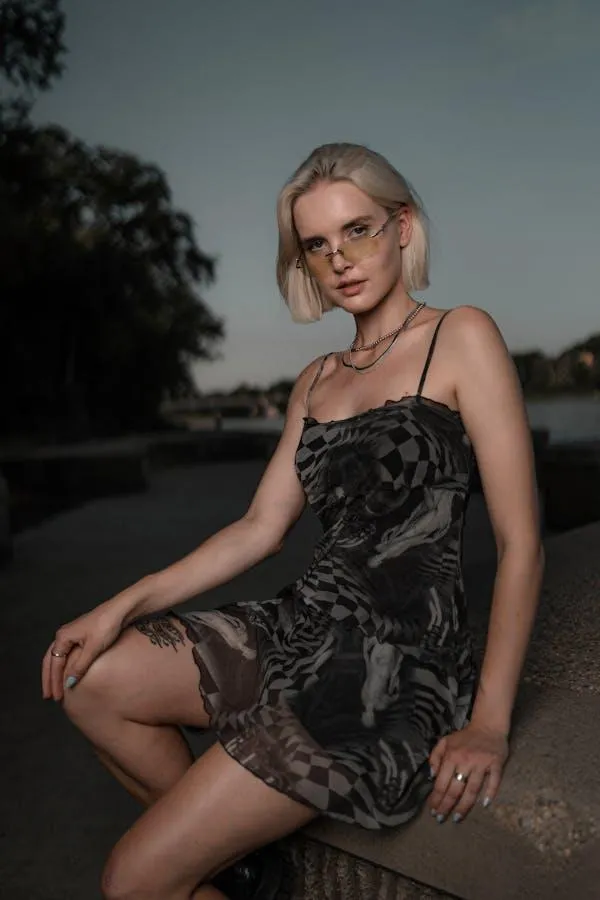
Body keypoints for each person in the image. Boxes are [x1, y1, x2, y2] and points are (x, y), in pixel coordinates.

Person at [42, 143, 544, 900]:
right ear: (304, 260)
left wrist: (491, 724)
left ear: (403, 226)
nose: (340, 257)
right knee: (88, 678)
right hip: (301, 625)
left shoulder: (461, 337)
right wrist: (122, 603)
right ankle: (245, 869)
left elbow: (522, 543)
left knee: (132, 881)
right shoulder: (315, 381)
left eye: (359, 229)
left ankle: (202, 860)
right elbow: (258, 529)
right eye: (317, 243)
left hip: (391, 664)